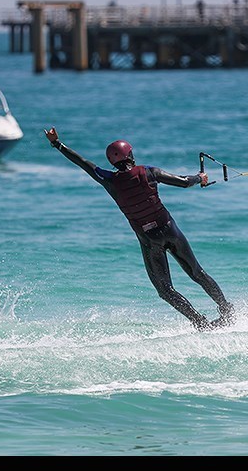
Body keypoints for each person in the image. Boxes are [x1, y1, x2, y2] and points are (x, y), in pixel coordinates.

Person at [44, 128, 235, 331]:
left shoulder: (108, 180)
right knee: (197, 272)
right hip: (170, 230)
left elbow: (83, 163)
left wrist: (57, 144)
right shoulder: (148, 172)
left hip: (149, 240)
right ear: (130, 156)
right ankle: (227, 310)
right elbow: (185, 182)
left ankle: (201, 323)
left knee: (165, 290)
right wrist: (200, 178)